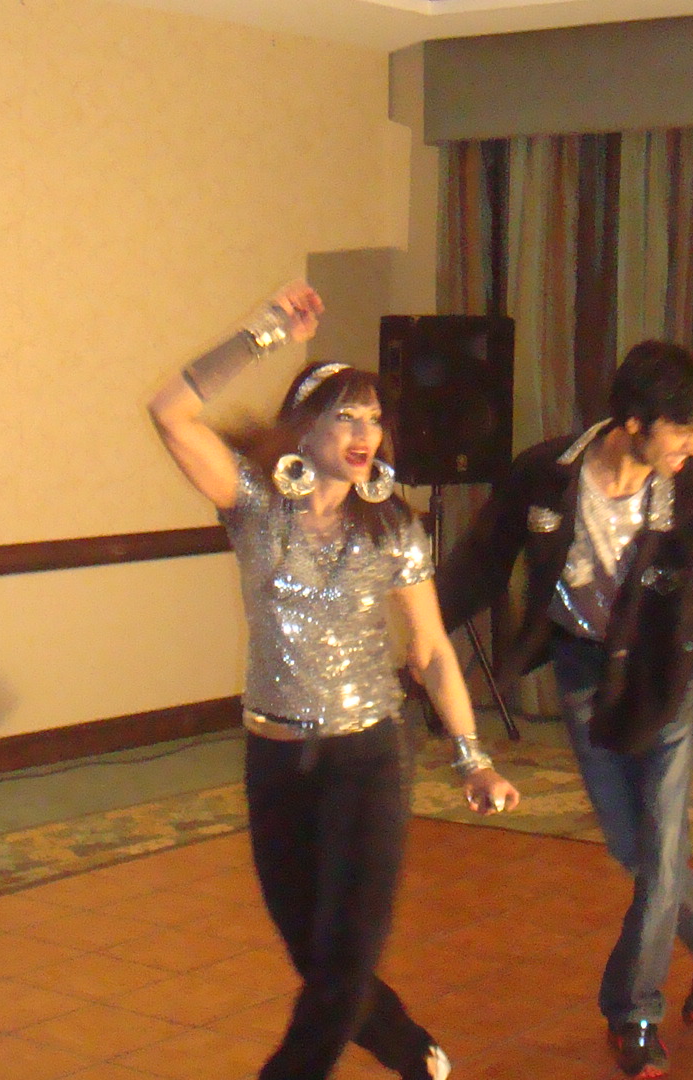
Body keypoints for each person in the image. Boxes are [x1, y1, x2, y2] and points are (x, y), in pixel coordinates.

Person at [436, 340, 693, 1079]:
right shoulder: (547, 475)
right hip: (583, 674)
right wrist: (423, 630)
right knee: (634, 849)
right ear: (633, 423)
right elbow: (478, 561)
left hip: (666, 679)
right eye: (683, 431)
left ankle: (632, 1010)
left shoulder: (685, 500)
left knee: (661, 852)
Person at [147, 282, 518, 1080]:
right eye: (346, 417)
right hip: (275, 758)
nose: (364, 434)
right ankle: (412, 1052)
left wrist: (472, 758)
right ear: (306, 426)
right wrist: (263, 332)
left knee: (345, 956)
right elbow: (170, 412)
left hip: (367, 758)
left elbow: (431, 649)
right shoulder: (253, 506)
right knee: (318, 958)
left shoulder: (393, 526)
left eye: (373, 419)